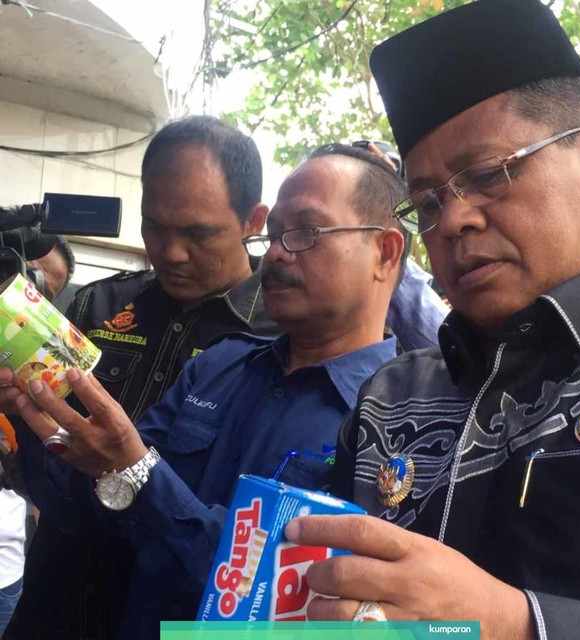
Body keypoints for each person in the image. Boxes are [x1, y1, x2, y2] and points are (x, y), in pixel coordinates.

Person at [282, 1, 580, 638]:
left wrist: (515, 624)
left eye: (486, 175)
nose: (453, 220)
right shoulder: (387, 400)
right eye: (427, 203)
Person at [2, 144, 408, 639]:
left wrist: (135, 472)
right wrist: (28, 409)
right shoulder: (221, 365)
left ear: (384, 253)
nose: (277, 254)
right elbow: (91, 506)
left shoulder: (402, 417)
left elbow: (284, 603)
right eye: (275, 234)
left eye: (305, 233)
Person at [1, 239, 74, 636]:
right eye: (18, 275)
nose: (22, 296)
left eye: (39, 290)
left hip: (6, 573)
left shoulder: (33, 381)